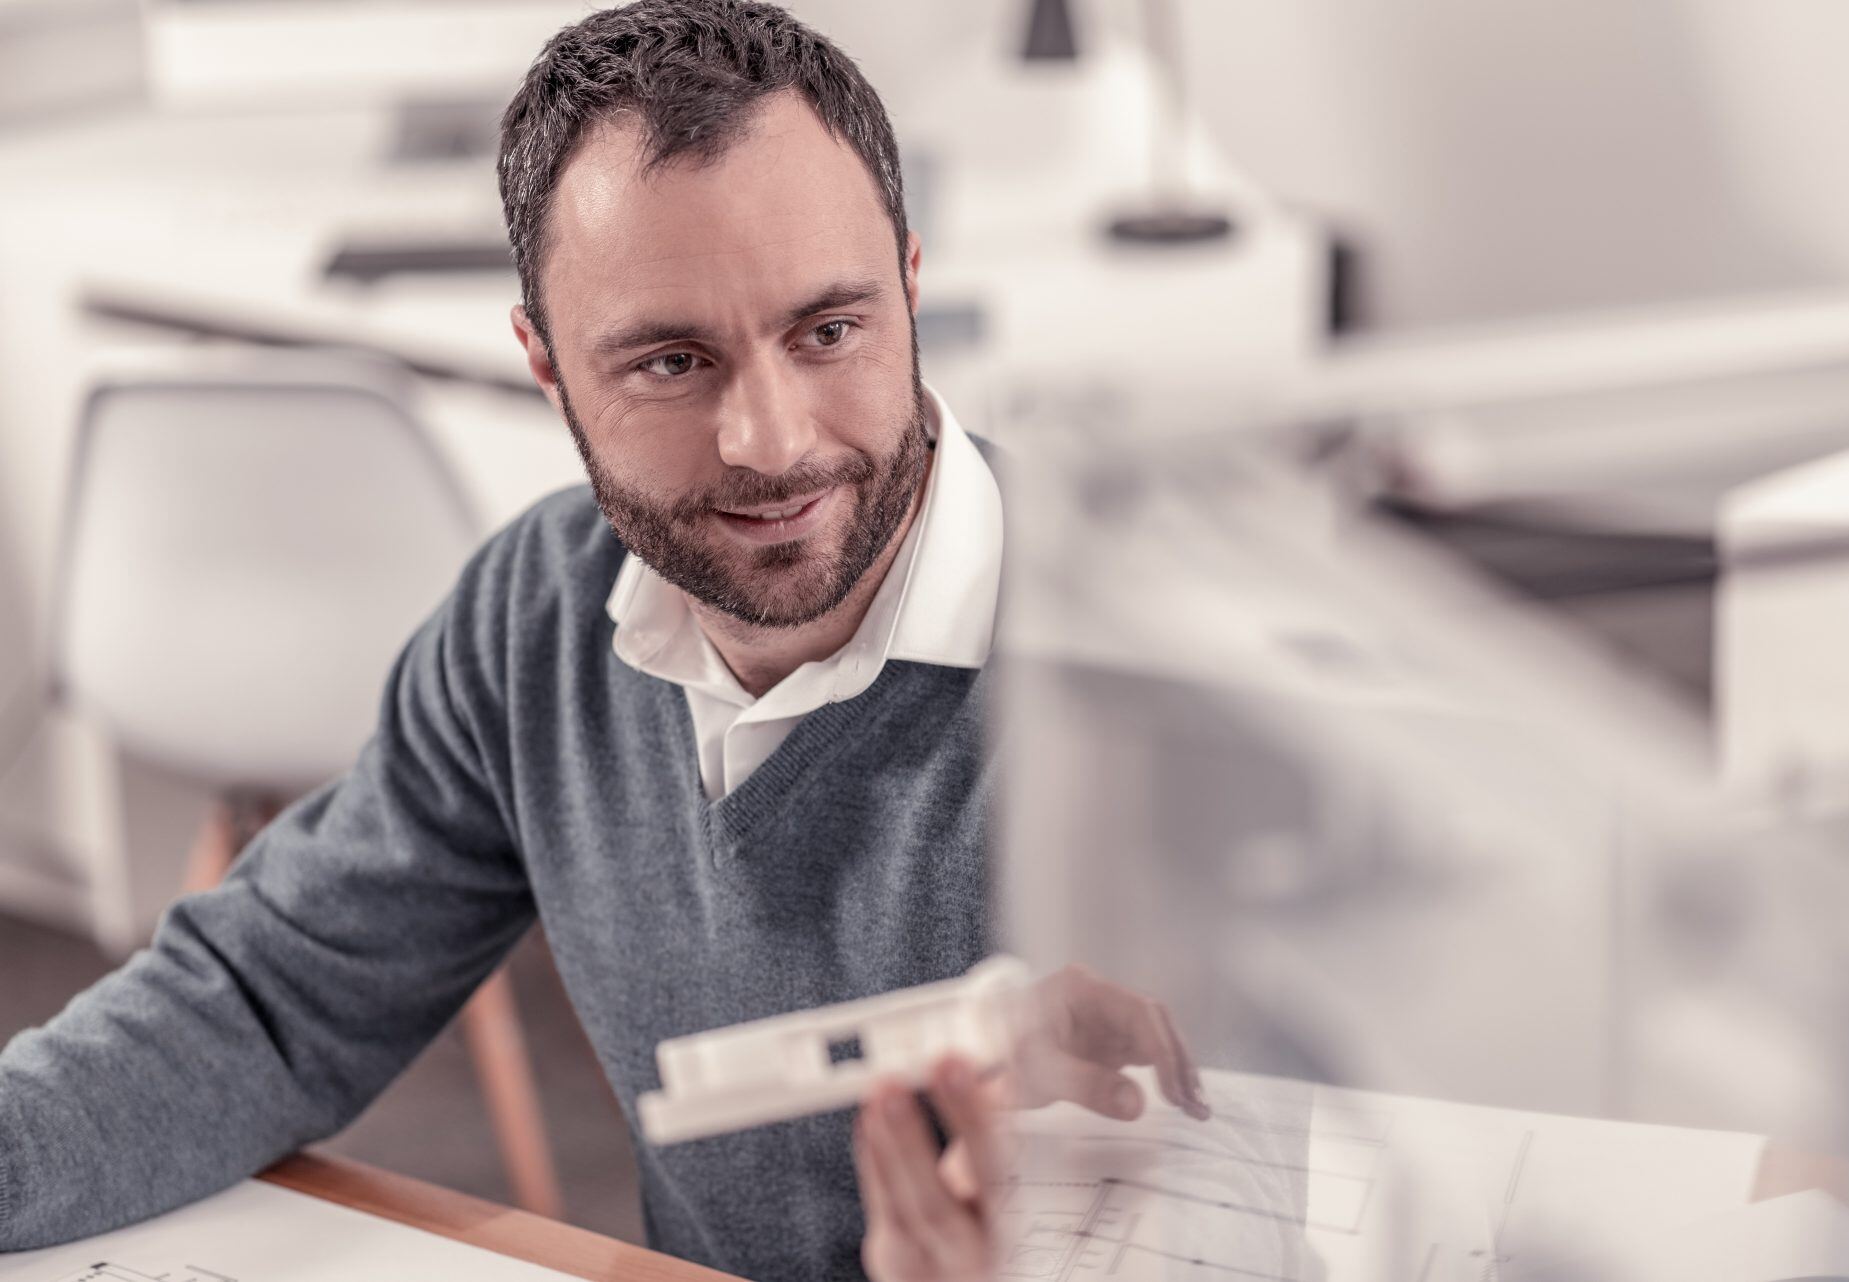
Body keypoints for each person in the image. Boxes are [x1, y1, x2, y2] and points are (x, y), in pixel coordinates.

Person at [0, 4, 1206, 1279]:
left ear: (910, 284)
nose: (772, 440)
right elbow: (271, 998)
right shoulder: (537, 616)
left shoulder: (1156, 690)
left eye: (829, 331)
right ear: (546, 363)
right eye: (673, 362)